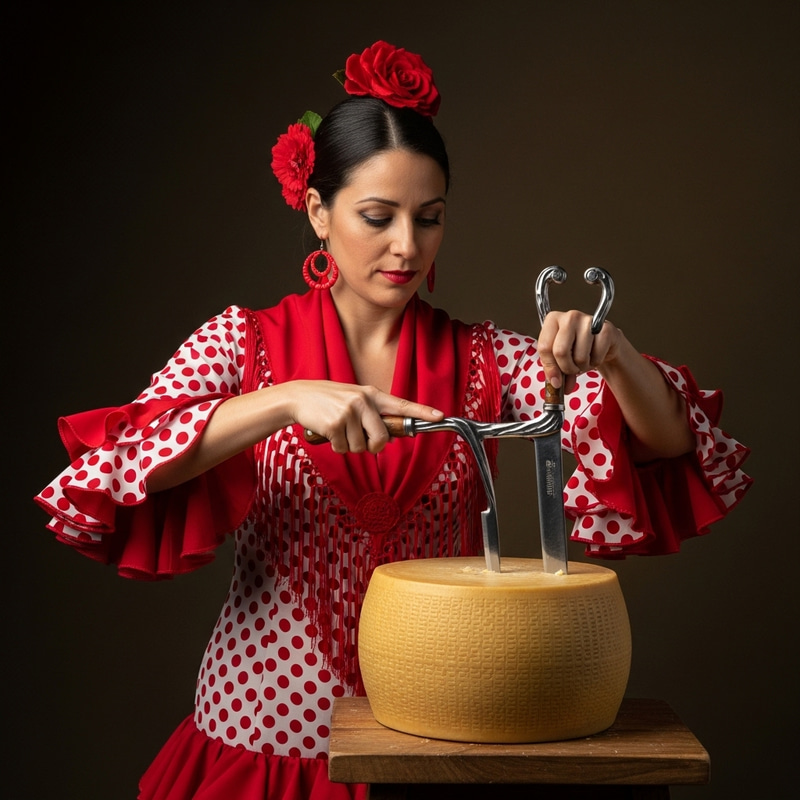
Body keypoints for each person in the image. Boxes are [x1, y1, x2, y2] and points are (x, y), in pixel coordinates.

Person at [35, 41, 751, 800]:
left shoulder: (486, 359)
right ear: (317, 210)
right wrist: (283, 400)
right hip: (266, 733)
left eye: (429, 218)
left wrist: (613, 355)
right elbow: (108, 472)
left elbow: (667, 445)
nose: (406, 246)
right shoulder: (240, 344)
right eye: (377, 217)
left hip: (439, 735)